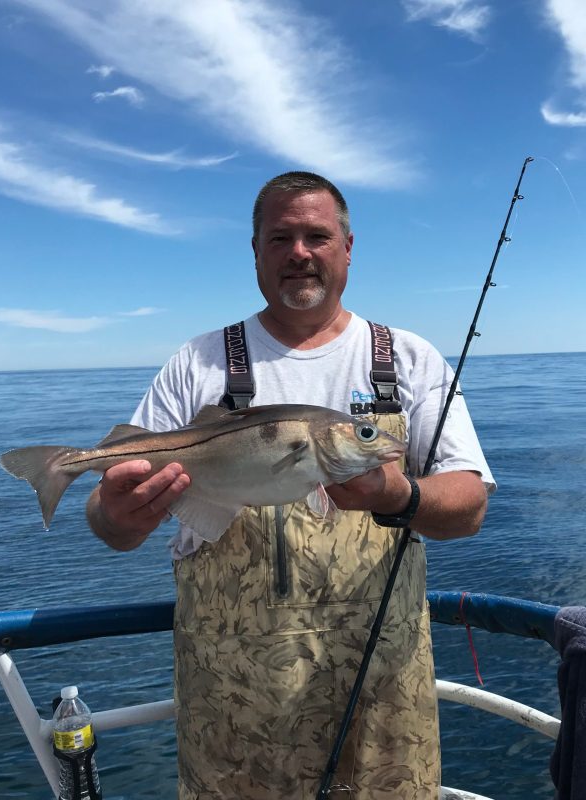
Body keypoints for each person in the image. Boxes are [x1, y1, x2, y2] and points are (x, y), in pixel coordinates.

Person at [86, 171, 494, 799]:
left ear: (348, 248)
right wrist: (118, 516)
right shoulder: (197, 363)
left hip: (382, 688)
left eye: (317, 236)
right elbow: (109, 523)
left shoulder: (408, 359)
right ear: (256, 252)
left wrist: (400, 495)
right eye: (280, 238)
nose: (299, 252)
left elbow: (469, 506)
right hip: (233, 699)